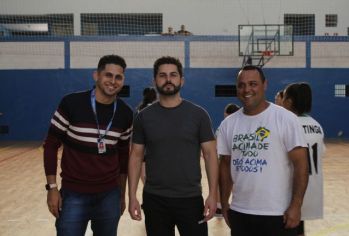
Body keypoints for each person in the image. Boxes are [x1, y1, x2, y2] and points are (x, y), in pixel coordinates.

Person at [43, 54, 133, 236]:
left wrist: (121, 195)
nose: (113, 81)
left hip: (109, 195)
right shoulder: (71, 103)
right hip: (73, 194)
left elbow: (124, 158)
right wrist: (52, 188)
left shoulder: (125, 113)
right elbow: (51, 146)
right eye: (108, 75)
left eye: (118, 77)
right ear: (96, 76)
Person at [128, 56, 218, 236]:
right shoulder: (143, 117)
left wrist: (213, 195)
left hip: (190, 199)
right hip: (155, 199)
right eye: (162, 75)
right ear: (155, 81)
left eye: (173, 75)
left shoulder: (199, 115)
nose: (168, 79)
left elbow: (210, 155)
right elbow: (136, 156)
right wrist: (131, 197)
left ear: (181, 80)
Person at [217, 65, 309, 236]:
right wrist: (223, 203)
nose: (247, 89)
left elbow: (301, 164)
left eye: (253, 84)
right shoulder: (228, 124)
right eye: (242, 85)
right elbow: (225, 166)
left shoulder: (286, 119)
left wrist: (296, 205)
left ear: (264, 84)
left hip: (277, 214)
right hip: (240, 212)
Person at [282, 82, 325, 236]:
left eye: (284, 97)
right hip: (311, 189)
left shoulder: (288, 124)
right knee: (299, 228)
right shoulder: (317, 126)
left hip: (293, 189)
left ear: (290, 101)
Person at [215, 103, 240, 218]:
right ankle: (221, 206)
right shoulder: (224, 125)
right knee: (224, 183)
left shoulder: (226, 125)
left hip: (231, 159)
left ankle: (222, 206)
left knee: (225, 182)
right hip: (228, 158)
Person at [136, 87, 158, 184]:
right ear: (155, 96)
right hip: (155, 147)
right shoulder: (158, 109)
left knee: (144, 176)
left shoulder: (139, 109)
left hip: (142, 146)